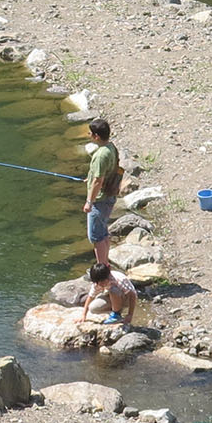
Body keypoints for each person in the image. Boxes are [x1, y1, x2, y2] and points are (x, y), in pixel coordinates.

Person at [82, 117, 123, 266]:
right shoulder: (111, 147)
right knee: (103, 233)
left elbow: (98, 181)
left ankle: (102, 270)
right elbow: (104, 173)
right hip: (109, 195)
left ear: (96, 136)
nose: (89, 135)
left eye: (90, 133)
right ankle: (105, 265)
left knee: (96, 236)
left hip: (100, 200)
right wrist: (90, 177)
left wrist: (89, 202)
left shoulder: (100, 155)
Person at [77, 261, 138, 326]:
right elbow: (91, 297)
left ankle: (116, 315)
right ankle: (115, 312)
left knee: (113, 290)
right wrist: (83, 315)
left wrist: (130, 315)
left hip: (126, 299)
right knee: (93, 308)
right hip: (112, 297)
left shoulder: (119, 279)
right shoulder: (97, 283)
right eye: (99, 283)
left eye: (103, 282)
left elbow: (132, 295)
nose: (101, 284)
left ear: (108, 276)